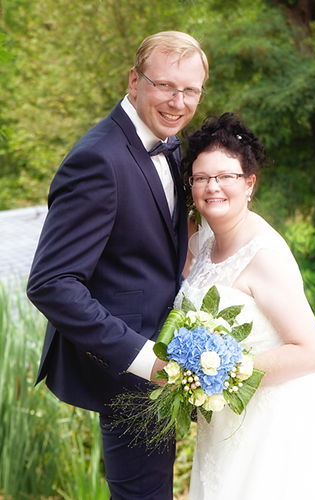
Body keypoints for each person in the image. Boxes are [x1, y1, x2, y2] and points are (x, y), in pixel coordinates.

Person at [27, 31, 208, 500]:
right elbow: (52, 283)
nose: (178, 101)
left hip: (169, 349)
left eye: (190, 90)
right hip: (130, 368)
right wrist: (147, 361)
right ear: (134, 81)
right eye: (165, 85)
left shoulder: (169, 142)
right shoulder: (97, 159)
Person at [174, 113, 315, 500]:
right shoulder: (202, 244)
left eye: (226, 176)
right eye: (202, 178)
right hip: (226, 423)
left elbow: (313, 354)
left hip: (279, 428)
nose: (213, 187)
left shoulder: (264, 254)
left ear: (249, 183)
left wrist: (221, 371)